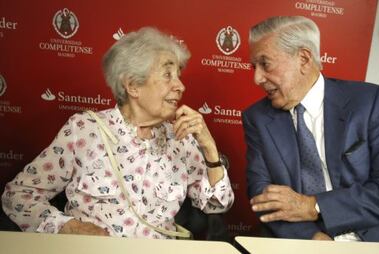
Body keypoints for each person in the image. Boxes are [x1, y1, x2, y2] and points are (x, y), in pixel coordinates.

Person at [1, 27, 234, 238]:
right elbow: (18, 196)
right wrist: (68, 226)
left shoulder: (181, 139)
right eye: (167, 75)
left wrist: (208, 147)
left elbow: (217, 205)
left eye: (178, 76)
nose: (180, 86)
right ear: (132, 85)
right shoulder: (84, 130)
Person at [243, 16, 379, 242]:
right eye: (254, 66)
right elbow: (262, 196)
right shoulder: (257, 118)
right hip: (307, 241)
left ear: (303, 58)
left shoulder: (367, 102)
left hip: (376, 239)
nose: (257, 78)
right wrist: (313, 239)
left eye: (265, 64)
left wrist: (314, 206)